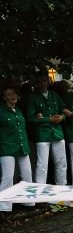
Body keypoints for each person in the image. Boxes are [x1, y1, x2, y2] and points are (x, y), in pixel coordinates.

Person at [27, 72, 68, 185]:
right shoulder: (32, 97)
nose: (42, 84)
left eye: (45, 81)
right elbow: (30, 118)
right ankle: (40, 189)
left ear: (48, 82)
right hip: (42, 134)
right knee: (42, 164)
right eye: (40, 81)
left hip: (57, 133)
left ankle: (62, 186)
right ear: (36, 83)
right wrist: (48, 119)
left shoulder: (54, 94)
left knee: (61, 162)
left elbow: (64, 110)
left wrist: (62, 117)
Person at [0, 85, 34, 219]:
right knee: (8, 177)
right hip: (6, 148)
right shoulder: (1, 111)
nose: (12, 96)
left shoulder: (18, 110)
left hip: (22, 146)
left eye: (14, 94)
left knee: (27, 174)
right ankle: (3, 206)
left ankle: (28, 202)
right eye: (9, 95)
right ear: (4, 98)